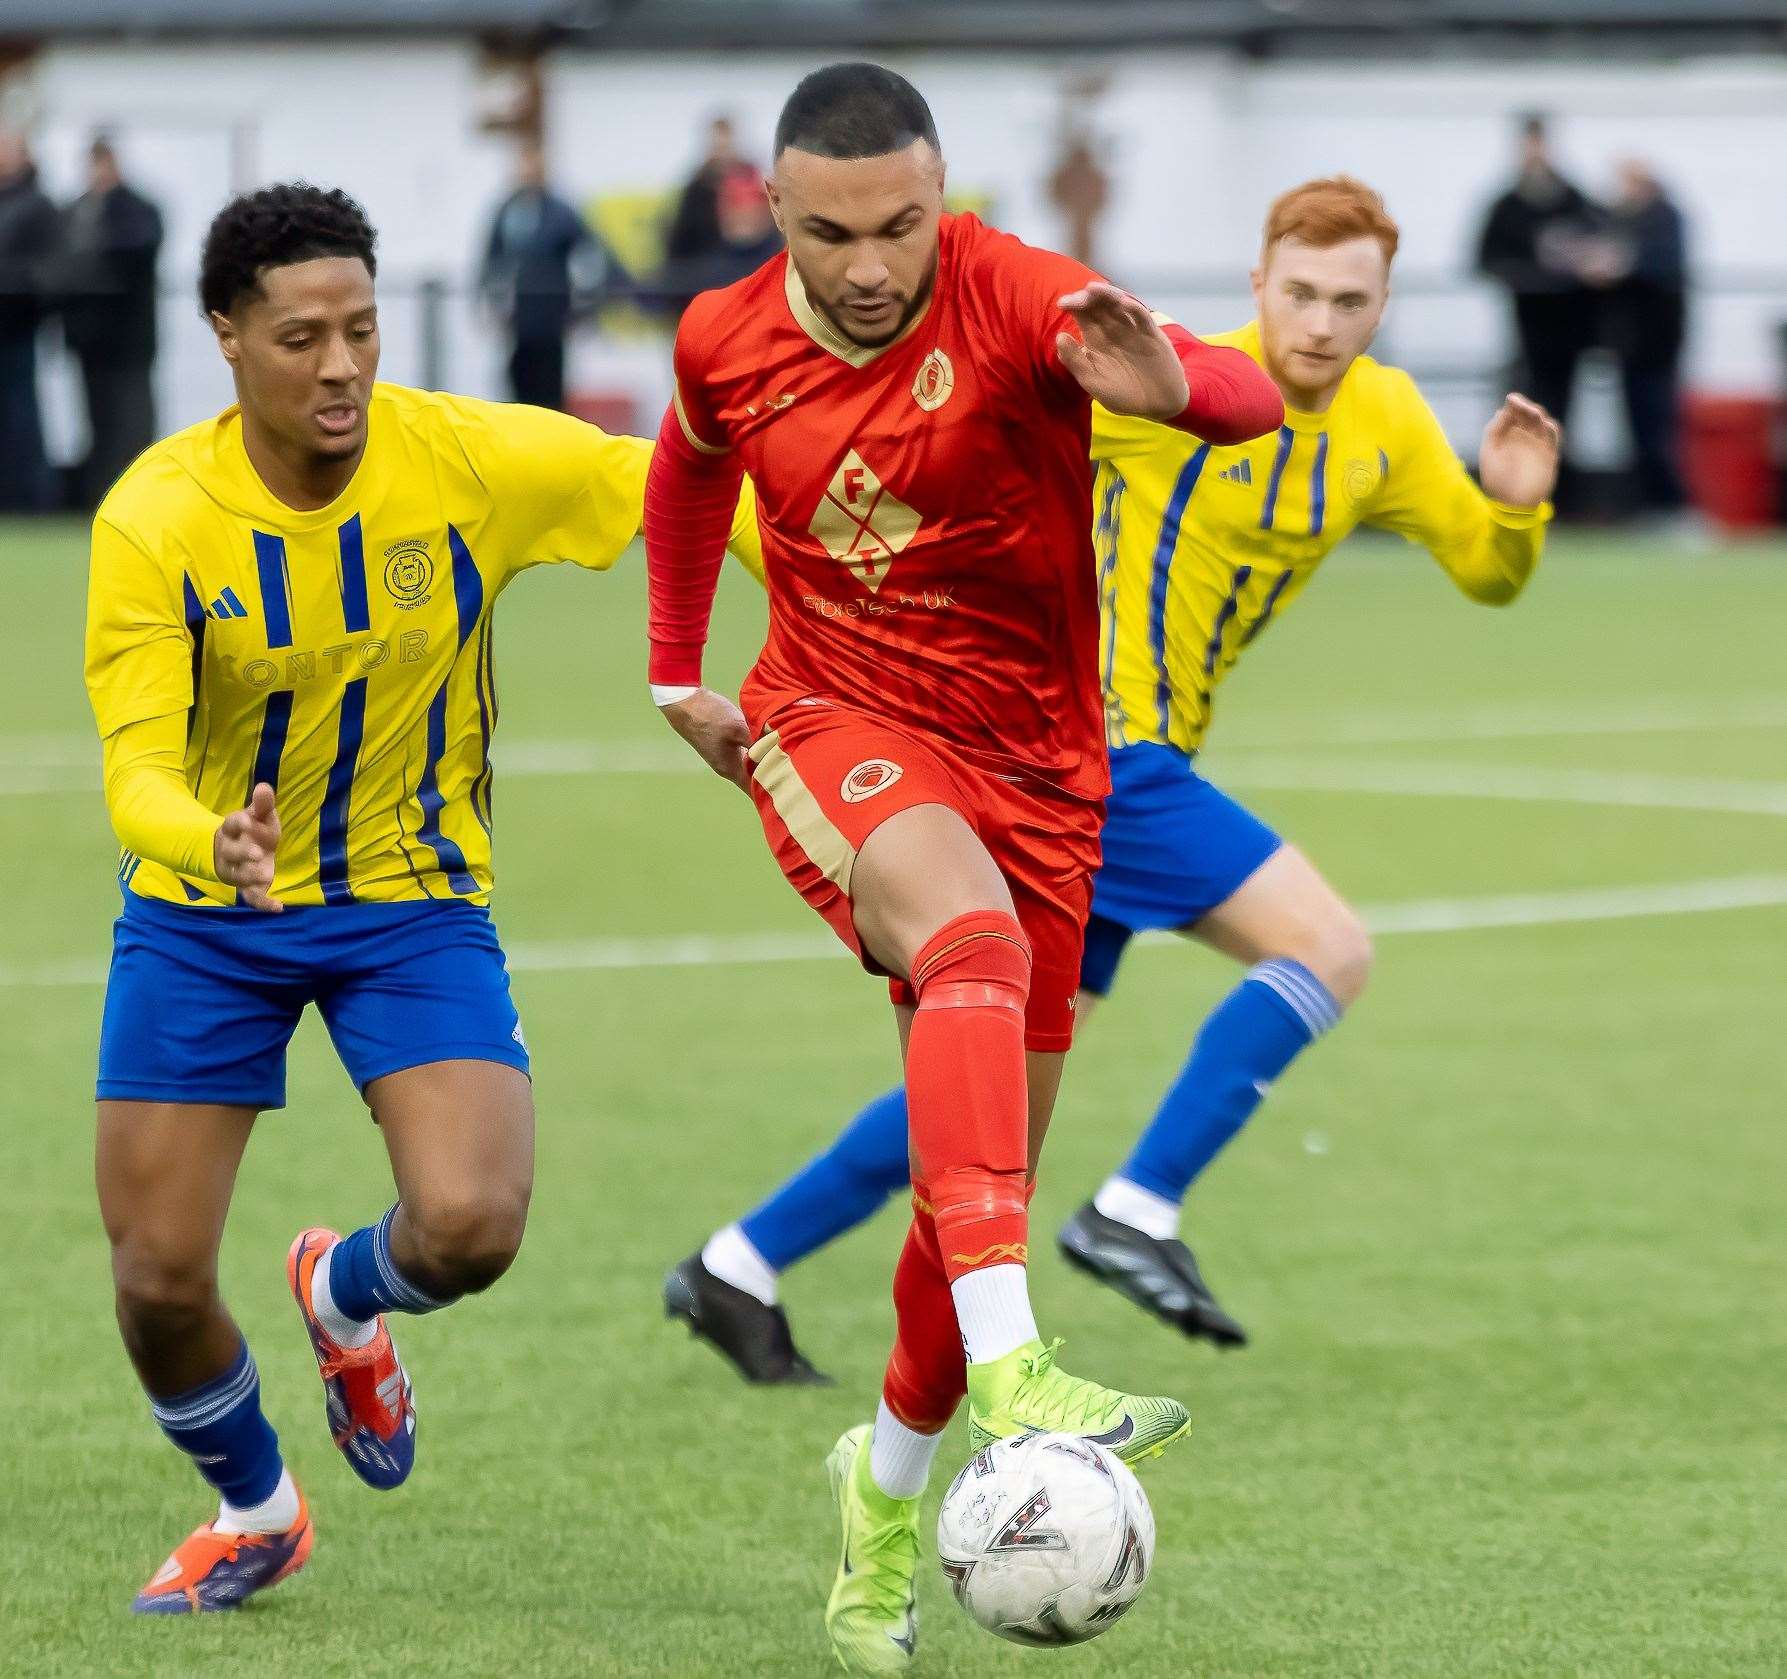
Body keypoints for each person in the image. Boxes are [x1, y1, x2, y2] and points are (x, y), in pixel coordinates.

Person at [669, 176, 1561, 1380]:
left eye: (1349, 300)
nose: (1317, 322)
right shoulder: (1156, 383)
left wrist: (1512, 510)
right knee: (1328, 947)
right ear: (1256, 283)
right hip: (1087, 747)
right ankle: (1137, 1206)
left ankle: (740, 1259)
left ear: (1384, 303)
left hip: (1119, 772)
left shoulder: (1387, 422)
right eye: (1296, 292)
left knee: (988, 1075)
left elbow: (1483, 571)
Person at [643, 62, 1282, 1674]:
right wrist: (676, 670)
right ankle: (1016, 1368)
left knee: (968, 1163)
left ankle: (883, 1492)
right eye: (830, 230)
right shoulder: (723, 332)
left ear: (943, 199)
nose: (869, 263)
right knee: (972, 952)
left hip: (1046, 765)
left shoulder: (1016, 295)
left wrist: (1173, 393)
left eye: (900, 224)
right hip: (832, 718)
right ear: (773, 210)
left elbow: (1246, 393)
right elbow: (685, 464)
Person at [87, 182, 758, 1616]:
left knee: (469, 1222)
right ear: (225, 337)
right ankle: (255, 1505)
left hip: (409, 894)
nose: (339, 366)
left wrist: (826, 616)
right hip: (208, 911)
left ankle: (343, 1296)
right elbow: (135, 770)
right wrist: (211, 835)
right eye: (299, 337)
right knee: (154, 1274)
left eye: (362, 330)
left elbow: (681, 486)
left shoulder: (465, 457)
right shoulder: (155, 518)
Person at [1475, 114, 1601, 440]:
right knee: (1529, 396)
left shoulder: (1573, 199)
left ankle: (1559, 480)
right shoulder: (1507, 205)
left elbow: (1600, 245)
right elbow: (1485, 259)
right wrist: (1529, 274)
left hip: (1570, 319)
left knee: (1562, 404)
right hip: (1527, 320)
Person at [60, 136, 165, 508]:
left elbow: (135, 254)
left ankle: (139, 497)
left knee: (133, 421)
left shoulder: (137, 208)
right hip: (90, 341)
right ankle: (101, 496)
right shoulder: (76, 210)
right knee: (98, 423)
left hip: (130, 341)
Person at [479, 141, 606, 410]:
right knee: (519, 388)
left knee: (550, 394)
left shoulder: (562, 213)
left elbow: (589, 256)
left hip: (551, 321)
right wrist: (490, 304)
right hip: (520, 322)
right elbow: (491, 261)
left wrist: (585, 306)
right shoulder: (506, 212)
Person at [1601, 158, 1689, 517]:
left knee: (1658, 424)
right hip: (1628, 344)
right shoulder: (1620, 219)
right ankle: (1648, 504)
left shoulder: (1665, 218)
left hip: (1660, 343)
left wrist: (1624, 265)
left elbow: (1663, 265)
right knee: (1635, 425)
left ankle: (1671, 505)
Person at [0, 130, 60, 512]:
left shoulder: (37, 205)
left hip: (16, 326)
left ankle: (28, 501)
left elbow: (45, 271)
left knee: (22, 415)